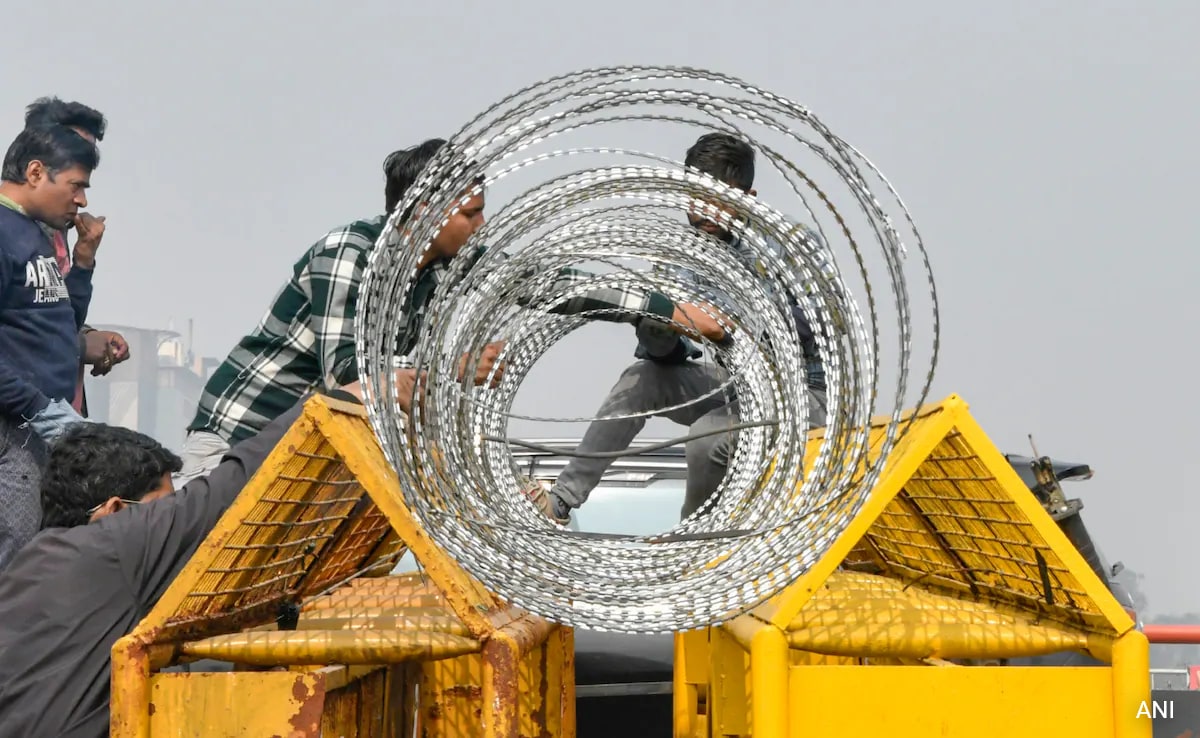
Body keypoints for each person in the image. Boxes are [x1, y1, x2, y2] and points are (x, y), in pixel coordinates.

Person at [178, 138, 727, 484]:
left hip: (302, 444)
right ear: (422, 214)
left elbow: (546, 282)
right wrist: (457, 370)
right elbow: (349, 376)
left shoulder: (439, 266)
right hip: (238, 442)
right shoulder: (351, 255)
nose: (481, 226)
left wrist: (666, 309)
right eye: (470, 213)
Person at [0, 384, 351, 737]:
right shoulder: (108, 548)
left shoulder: (32, 567)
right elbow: (230, 491)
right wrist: (338, 401)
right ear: (115, 511)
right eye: (164, 508)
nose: (172, 523)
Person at [525, 132, 834, 524]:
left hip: (806, 394)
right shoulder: (681, 257)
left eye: (715, 199)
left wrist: (729, 328)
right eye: (693, 197)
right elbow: (666, 359)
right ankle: (561, 502)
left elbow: (820, 326)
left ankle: (693, 542)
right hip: (736, 387)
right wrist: (657, 332)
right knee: (642, 379)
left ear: (747, 199)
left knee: (708, 435)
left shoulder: (793, 243)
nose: (701, 211)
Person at [0, 124, 103, 570]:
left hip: (35, 430)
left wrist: (82, 264)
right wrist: (38, 409)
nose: (81, 200)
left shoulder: (34, 236)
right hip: (15, 430)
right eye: (76, 185)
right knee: (14, 564)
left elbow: (61, 323)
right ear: (37, 172)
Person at [23, 97, 130, 412]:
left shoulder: (59, 229)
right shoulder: (14, 232)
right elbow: (18, 332)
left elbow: (53, 314)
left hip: (58, 416)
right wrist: (81, 346)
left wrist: (84, 261)